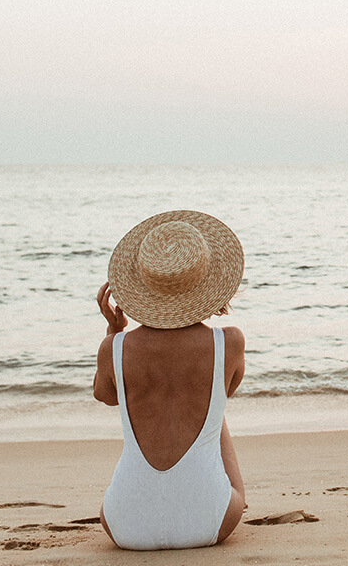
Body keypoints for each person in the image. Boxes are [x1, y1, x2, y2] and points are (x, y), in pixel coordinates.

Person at [93, 210, 246, 550]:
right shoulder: (230, 342)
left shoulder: (114, 348)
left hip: (125, 525)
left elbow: (105, 395)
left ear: (142, 285)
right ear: (209, 284)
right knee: (213, 408)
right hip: (210, 518)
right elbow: (227, 390)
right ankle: (207, 494)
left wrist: (114, 334)